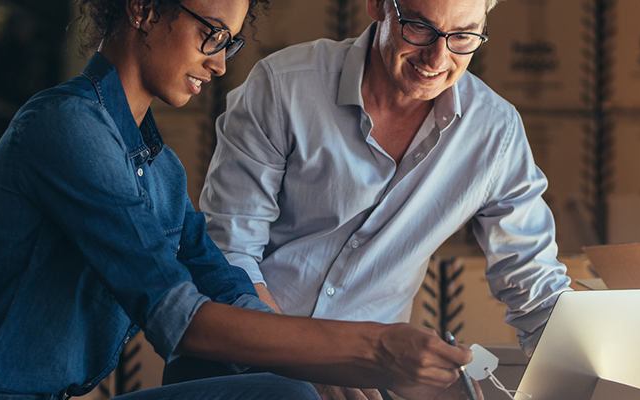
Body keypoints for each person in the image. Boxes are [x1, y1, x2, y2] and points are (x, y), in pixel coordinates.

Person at [0, 0, 479, 399]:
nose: (220, 62)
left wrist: (345, 366)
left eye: (231, 42)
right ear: (144, 9)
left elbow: (227, 287)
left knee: (287, 389)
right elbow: (178, 319)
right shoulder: (65, 128)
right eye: (211, 33)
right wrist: (375, 348)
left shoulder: (160, 167)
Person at [186, 0, 573, 398]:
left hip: (368, 387)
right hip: (237, 367)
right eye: (420, 28)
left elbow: (535, 286)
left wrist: (596, 364)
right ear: (377, 6)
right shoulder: (284, 87)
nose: (438, 58)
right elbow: (228, 257)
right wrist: (306, 361)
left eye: (462, 36)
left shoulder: (495, 132)